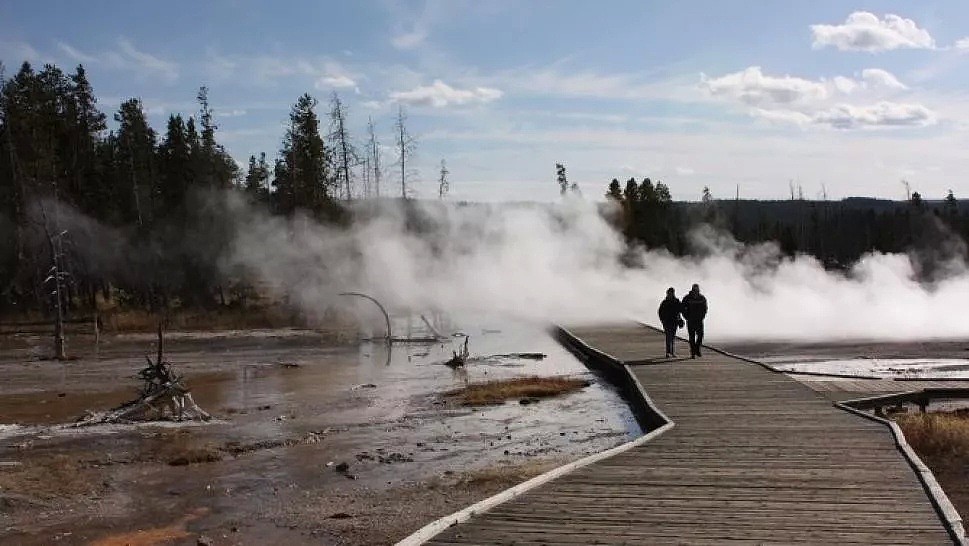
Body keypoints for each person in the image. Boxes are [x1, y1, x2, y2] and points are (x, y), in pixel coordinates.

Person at [681, 283, 708, 358]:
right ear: (692, 289)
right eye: (694, 289)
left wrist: (702, 316)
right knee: (692, 337)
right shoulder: (687, 298)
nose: (696, 291)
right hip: (690, 320)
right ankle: (693, 352)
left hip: (699, 320)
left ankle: (697, 348)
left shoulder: (702, 298)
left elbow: (705, 308)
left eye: (697, 289)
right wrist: (686, 317)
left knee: (700, 335)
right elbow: (682, 308)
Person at [657, 287, 683, 358]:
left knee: (672, 337)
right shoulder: (665, 302)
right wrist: (663, 320)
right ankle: (668, 352)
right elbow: (660, 312)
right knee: (669, 337)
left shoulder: (676, 301)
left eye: (672, 293)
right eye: (670, 293)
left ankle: (672, 352)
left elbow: (681, 309)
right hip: (667, 322)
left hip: (674, 322)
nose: (671, 294)